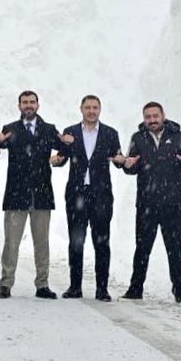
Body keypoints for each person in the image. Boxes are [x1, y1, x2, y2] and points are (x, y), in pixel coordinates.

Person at [122, 101, 181, 303]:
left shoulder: (179, 137)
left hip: (172, 203)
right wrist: (128, 165)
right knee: (142, 247)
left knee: (174, 247)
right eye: (148, 117)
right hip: (146, 204)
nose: (152, 120)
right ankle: (135, 288)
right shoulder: (138, 138)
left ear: (163, 115)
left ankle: (179, 290)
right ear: (144, 119)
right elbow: (131, 167)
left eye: (155, 116)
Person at [0, 90, 65, 299]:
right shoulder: (11, 129)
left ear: (38, 105)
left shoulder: (49, 129)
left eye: (32, 102)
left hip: (42, 193)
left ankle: (42, 284)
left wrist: (60, 156)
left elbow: (65, 148)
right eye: (25, 102)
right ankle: (6, 284)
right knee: (11, 242)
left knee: (41, 243)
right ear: (19, 106)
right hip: (16, 194)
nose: (28, 105)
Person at [53, 95, 125, 301]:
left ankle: (102, 288)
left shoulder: (111, 134)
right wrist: (56, 160)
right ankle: (75, 286)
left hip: (101, 195)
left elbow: (117, 158)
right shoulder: (71, 132)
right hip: (77, 193)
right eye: (88, 107)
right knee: (76, 241)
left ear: (100, 110)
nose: (91, 111)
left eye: (95, 107)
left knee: (102, 242)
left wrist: (121, 160)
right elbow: (61, 157)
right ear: (81, 109)